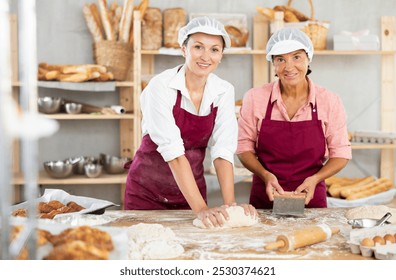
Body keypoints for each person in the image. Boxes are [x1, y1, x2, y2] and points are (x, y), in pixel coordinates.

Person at [124, 16, 257, 227]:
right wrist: (202, 209)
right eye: (198, 47)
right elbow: (174, 153)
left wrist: (230, 204)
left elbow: (222, 151)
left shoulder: (223, 91)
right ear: (184, 49)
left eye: (214, 49)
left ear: (221, 55)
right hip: (146, 193)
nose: (206, 56)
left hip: (190, 194)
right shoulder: (160, 87)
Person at [236, 27, 352, 209]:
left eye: (296, 57)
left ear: (308, 58)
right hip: (265, 198)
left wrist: (316, 179)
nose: (289, 67)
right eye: (280, 59)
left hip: (311, 198)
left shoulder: (329, 101)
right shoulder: (255, 98)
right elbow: (243, 148)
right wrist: (265, 175)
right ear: (273, 63)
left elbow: (341, 154)